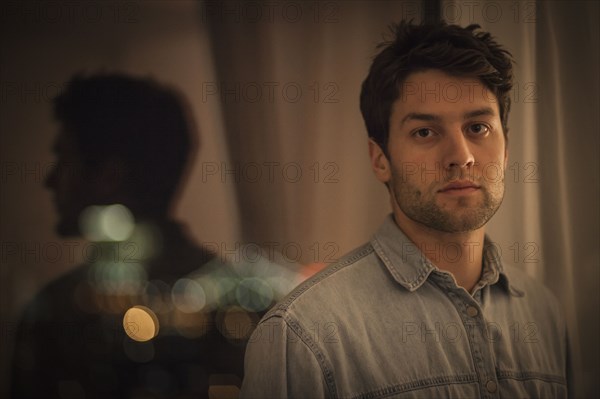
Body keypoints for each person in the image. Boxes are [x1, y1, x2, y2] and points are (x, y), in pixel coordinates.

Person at [240, 21, 569, 398]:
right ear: (380, 159)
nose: (461, 157)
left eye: (477, 127)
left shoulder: (543, 314)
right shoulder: (302, 335)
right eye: (425, 132)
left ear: (507, 150)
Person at [10, 73, 263, 399]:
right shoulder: (238, 299)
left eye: (63, 158)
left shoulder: (57, 313)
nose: (49, 179)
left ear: (109, 176)